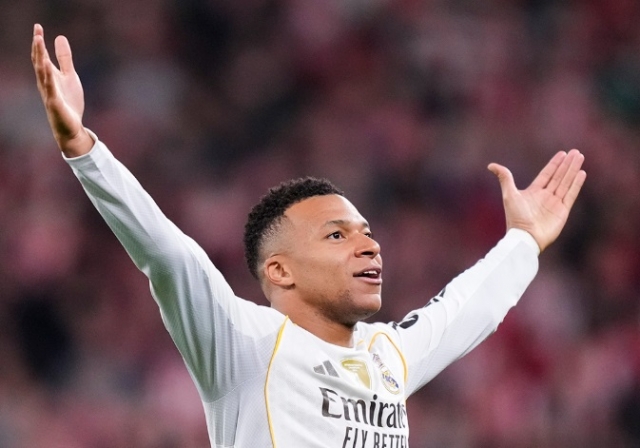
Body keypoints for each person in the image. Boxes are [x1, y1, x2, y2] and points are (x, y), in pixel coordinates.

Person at [31, 23, 586, 447]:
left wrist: (524, 239)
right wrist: (83, 147)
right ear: (280, 270)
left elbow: (466, 309)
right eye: (337, 236)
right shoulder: (243, 343)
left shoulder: (386, 355)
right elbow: (168, 255)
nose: (369, 245)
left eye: (367, 233)